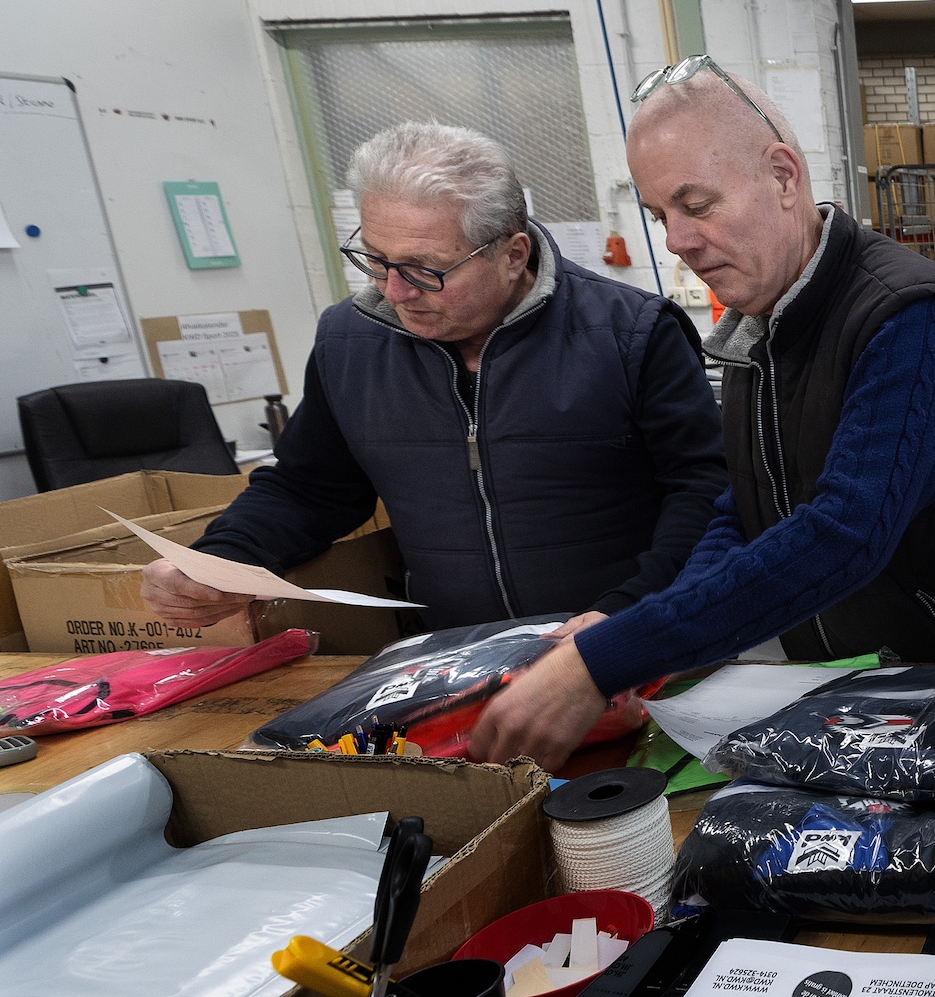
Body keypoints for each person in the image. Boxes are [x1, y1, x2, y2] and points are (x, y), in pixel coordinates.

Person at [467, 61, 935, 769]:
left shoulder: (910, 318)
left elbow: (843, 533)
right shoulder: (761, 327)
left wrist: (604, 661)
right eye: (661, 215)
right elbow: (746, 508)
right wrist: (649, 637)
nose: (676, 241)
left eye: (697, 205)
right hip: (866, 691)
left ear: (784, 177)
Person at [141, 122, 726, 633]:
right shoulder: (350, 342)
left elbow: (705, 490)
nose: (395, 292)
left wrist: (628, 616)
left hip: (629, 643)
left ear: (512, 254)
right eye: (376, 260)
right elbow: (310, 488)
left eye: (424, 269)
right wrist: (221, 559)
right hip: (456, 656)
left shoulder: (630, 332)